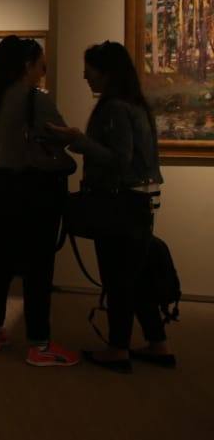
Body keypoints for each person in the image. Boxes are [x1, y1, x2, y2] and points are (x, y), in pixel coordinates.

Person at [48, 42, 172, 372]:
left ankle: (118, 348)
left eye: (89, 69)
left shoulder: (114, 107)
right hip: (139, 201)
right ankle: (157, 342)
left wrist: (76, 138)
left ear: (106, 72)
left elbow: (119, 158)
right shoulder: (136, 104)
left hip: (118, 202)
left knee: (117, 277)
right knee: (139, 274)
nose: (84, 75)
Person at [0, 36, 78, 367]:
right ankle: (39, 342)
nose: (42, 70)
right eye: (40, 64)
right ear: (27, 65)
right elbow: (62, 134)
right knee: (38, 264)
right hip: (33, 185)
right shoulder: (36, 99)